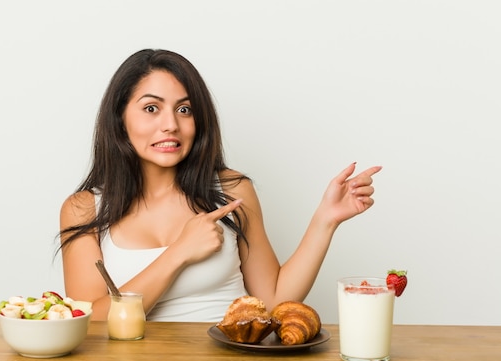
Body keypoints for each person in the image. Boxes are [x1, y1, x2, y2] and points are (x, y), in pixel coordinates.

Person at [58, 49, 381, 322]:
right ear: (120, 120)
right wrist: (179, 253)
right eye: (151, 108)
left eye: (184, 110)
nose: (171, 125)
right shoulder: (83, 208)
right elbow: (91, 322)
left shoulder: (232, 190)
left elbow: (272, 300)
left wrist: (325, 220)